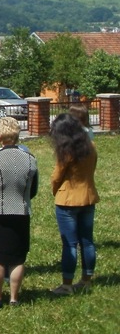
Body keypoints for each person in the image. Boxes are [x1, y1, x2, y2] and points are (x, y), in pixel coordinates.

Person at [0, 116, 38, 308]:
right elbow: (33, 189)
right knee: (17, 257)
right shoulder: (30, 160)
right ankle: (14, 298)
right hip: (20, 212)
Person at [49, 113, 99, 295]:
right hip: (88, 197)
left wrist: (56, 191)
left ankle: (67, 285)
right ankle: (86, 280)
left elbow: (56, 177)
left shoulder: (66, 152)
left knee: (69, 244)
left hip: (67, 201)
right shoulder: (91, 146)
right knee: (87, 241)